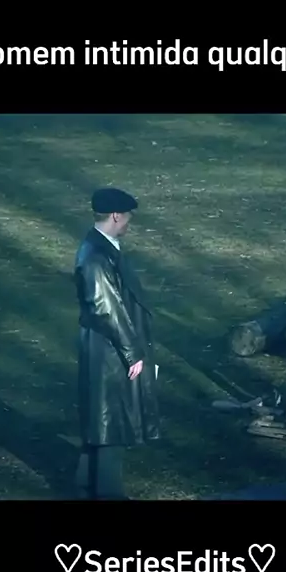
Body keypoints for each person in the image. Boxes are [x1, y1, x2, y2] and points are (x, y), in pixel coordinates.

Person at [73, 187, 160, 499]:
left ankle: (86, 485)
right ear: (115, 216)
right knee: (111, 423)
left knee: (101, 421)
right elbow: (107, 308)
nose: (128, 224)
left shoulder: (98, 248)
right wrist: (133, 352)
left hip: (105, 346)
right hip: (109, 350)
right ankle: (108, 493)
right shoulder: (97, 257)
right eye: (127, 218)